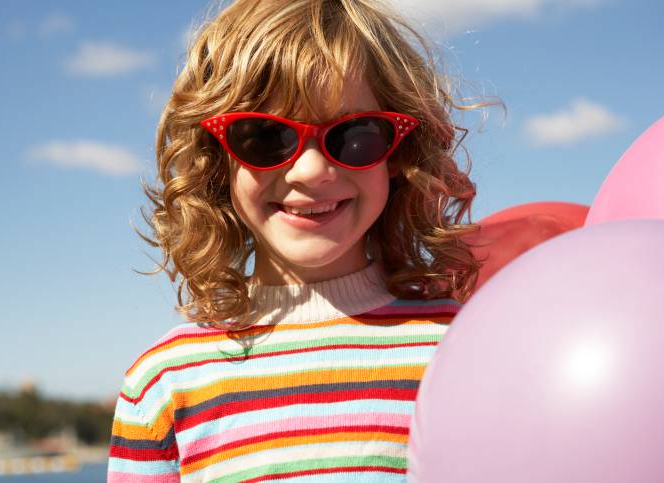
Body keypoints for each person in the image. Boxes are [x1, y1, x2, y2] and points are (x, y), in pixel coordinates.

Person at [107, 0, 487, 481]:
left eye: (356, 135)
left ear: (399, 153)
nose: (311, 171)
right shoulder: (164, 384)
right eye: (265, 137)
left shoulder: (463, 348)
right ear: (215, 162)